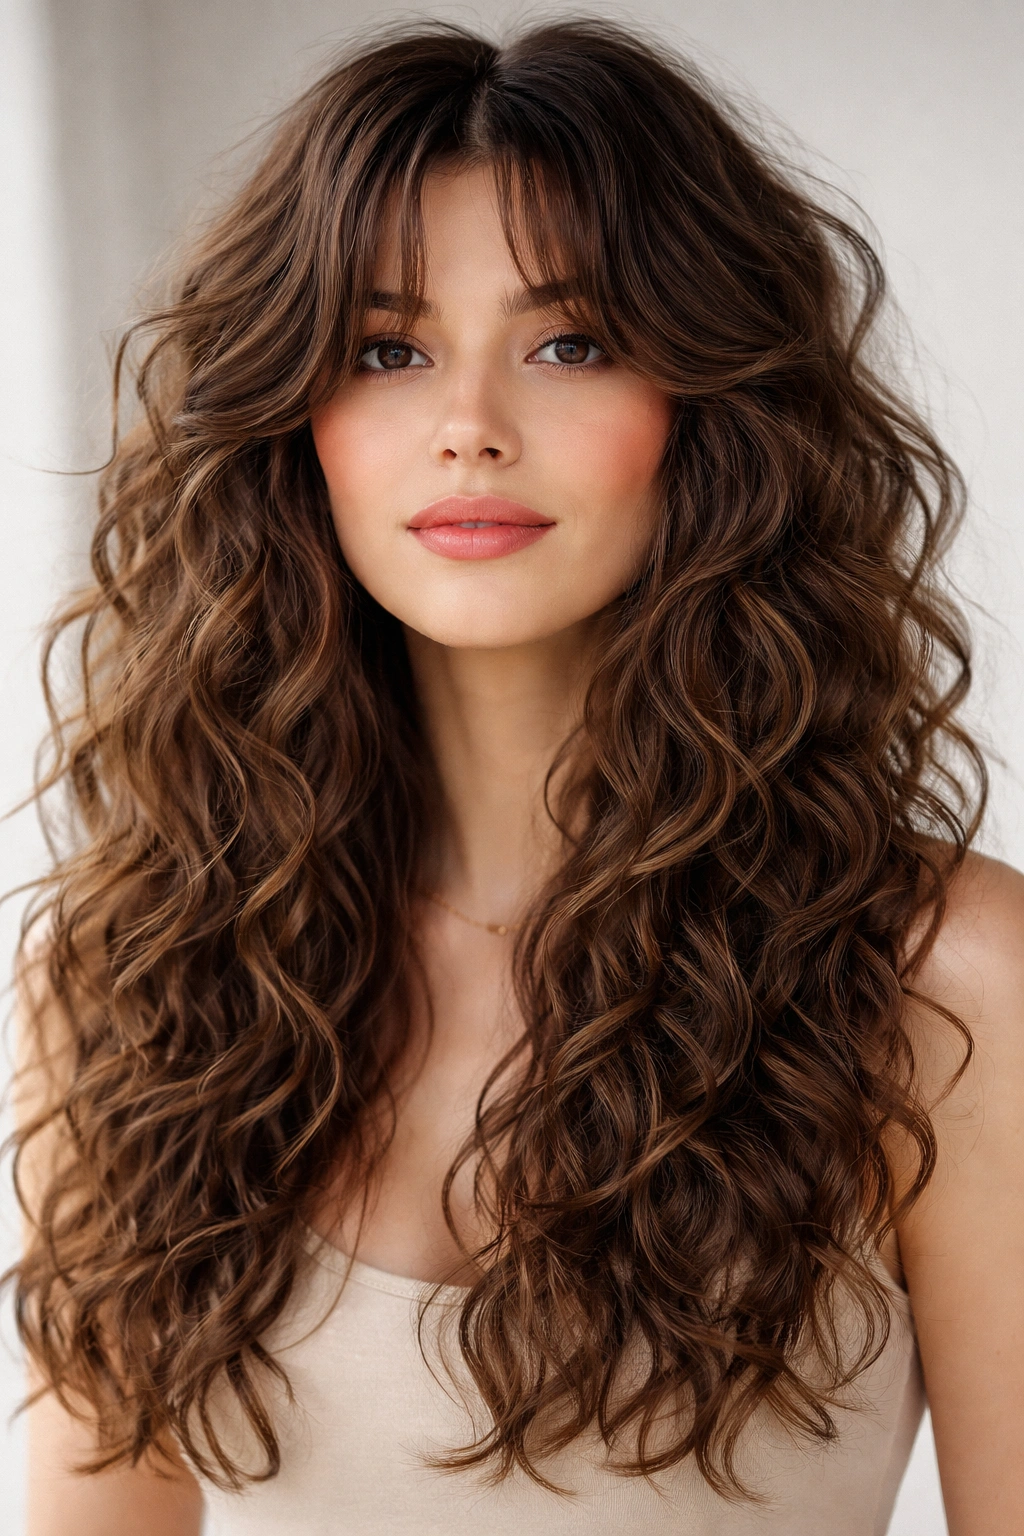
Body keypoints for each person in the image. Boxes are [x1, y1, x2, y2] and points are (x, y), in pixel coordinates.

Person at [7, 17, 1022, 1535]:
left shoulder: (943, 980)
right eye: (387, 351)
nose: (470, 429)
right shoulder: (129, 981)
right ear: (294, 424)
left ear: (713, 412)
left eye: (570, 344)